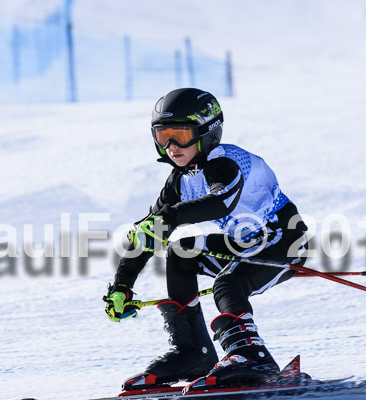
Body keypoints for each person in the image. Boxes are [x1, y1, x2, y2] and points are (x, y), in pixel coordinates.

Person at [103, 88, 308, 391]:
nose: (172, 147)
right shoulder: (180, 180)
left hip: (283, 241)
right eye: (163, 136)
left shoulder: (226, 162)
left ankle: (251, 355)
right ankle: (193, 353)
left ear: (207, 132)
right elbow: (149, 233)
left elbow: (220, 202)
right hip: (244, 242)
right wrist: (122, 285)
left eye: (181, 135)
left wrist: (169, 218)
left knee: (229, 282)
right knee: (181, 253)